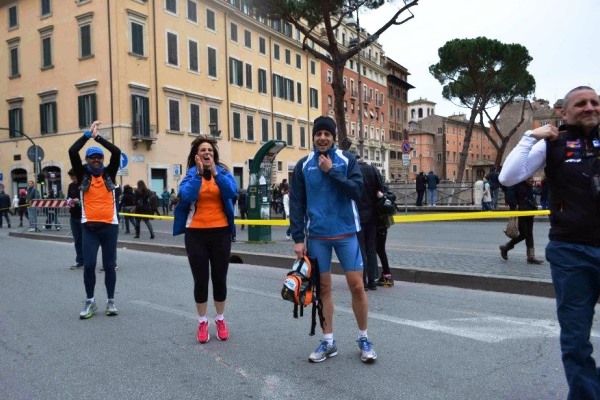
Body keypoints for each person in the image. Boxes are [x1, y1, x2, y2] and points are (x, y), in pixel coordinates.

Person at [499, 86, 600, 398]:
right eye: (580, 103)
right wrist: (532, 136)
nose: (589, 107)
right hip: (571, 251)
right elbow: (508, 176)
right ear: (563, 113)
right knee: (575, 339)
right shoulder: (553, 144)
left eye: (595, 102)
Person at [289, 115, 377, 364]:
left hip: (346, 232)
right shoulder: (303, 165)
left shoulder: (347, 160)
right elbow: (297, 203)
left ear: (333, 137)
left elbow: (357, 191)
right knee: (323, 289)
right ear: (313, 136)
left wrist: (332, 172)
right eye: (318, 134)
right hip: (316, 236)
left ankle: (363, 338)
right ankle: (328, 341)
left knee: (357, 286)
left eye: (327, 134)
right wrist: (298, 237)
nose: (322, 138)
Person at [173, 135, 237, 344]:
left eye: (210, 150)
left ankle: (220, 319)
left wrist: (215, 173)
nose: (207, 153)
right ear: (196, 155)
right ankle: (202, 321)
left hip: (221, 233)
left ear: (214, 154)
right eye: (203, 150)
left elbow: (231, 192)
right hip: (196, 234)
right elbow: (187, 196)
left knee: (220, 278)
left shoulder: (224, 173)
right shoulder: (191, 175)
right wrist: (200, 175)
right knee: (200, 279)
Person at [68, 120, 121, 319]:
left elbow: (116, 152)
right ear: (87, 161)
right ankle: (90, 301)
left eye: (99, 157)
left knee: (109, 266)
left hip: (110, 227)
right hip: (89, 227)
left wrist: (98, 138)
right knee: (89, 265)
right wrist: (87, 136)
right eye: (92, 158)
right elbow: (73, 152)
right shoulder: (82, 175)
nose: (96, 160)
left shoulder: (110, 173)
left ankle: (111, 301)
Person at [498, 178, 543, 264]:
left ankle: (531, 256)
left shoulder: (528, 185)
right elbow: (509, 197)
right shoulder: (516, 182)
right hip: (520, 212)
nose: (532, 180)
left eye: (532, 178)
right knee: (524, 234)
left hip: (529, 211)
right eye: (530, 178)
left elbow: (530, 196)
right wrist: (517, 206)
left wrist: (533, 205)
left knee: (529, 233)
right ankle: (506, 247)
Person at [355, 155, 384, 291]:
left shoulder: (353, 170)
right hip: (372, 213)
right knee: (371, 248)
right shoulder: (372, 169)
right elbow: (380, 189)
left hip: (358, 214)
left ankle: (363, 280)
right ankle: (372, 280)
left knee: (360, 248)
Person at [376, 187, 396, 287]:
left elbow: (392, 196)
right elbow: (393, 196)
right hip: (383, 225)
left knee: (379, 250)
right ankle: (386, 275)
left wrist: (381, 195)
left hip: (379, 225)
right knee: (380, 250)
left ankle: (387, 276)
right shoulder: (382, 187)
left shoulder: (377, 190)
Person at [67, 169, 83, 270]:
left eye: (74, 178)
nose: (73, 180)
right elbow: (68, 198)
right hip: (73, 216)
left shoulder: (83, 185)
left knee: (85, 240)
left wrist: (79, 201)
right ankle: (79, 260)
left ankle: (88, 260)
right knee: (77, 240)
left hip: (83, 216)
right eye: (71, 178)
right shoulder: (71, 186)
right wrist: (69, 202)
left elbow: (88, 200)